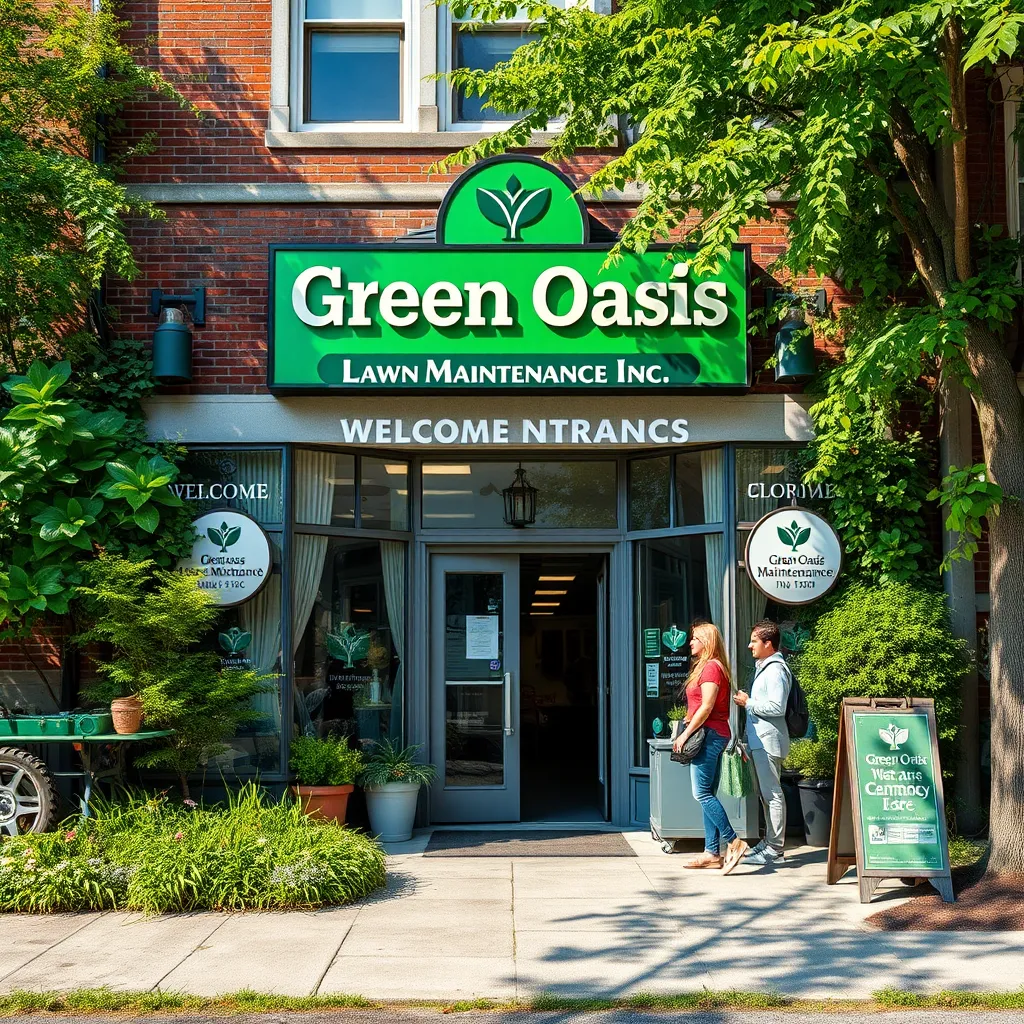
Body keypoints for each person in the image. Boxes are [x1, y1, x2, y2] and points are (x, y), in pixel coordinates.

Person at [671, 621, 741, 871]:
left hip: (709, 735)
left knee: (700, 792)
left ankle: (734, 841)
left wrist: (684, 734)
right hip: (712, 734)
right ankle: (712, 852)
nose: (690, 642)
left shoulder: (712, 668)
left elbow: (707, 706)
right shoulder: (708, 667)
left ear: (707, 642)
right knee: (706, 794)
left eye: (695, 639)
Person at [728, 618, 792, 869]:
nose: (749, 645)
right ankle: (769, 844)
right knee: (766, 795)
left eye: (754, 641)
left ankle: (775, 849)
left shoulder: (776, 670)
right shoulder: (766, 667)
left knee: (772, 795)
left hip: (768, 743)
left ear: (768, 643)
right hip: (761, 742)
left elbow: (778, 707)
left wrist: (748, 702)